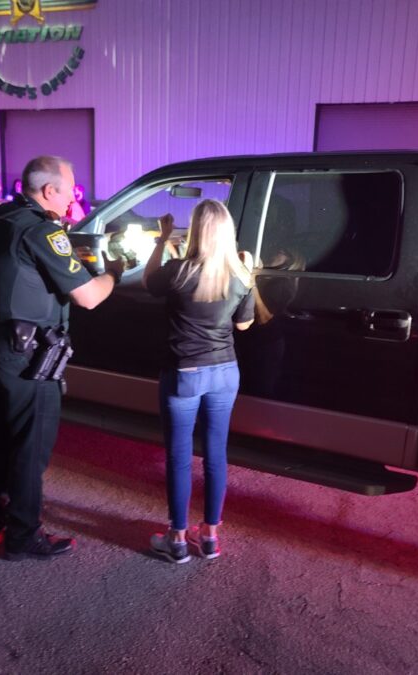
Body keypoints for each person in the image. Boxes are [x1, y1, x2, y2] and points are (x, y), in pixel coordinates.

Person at [0, 155, 124, 561]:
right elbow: (87, 297)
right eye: (70, 189)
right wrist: (114, 273)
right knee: (28, 449)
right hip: (25, 357)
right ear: (49, 191)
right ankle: (23, 536)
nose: (74, 197)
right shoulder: (42, 231)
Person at [142, 199, 255, 563]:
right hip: (225, 371)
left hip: (184, 373)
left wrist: (161, 241)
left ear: (195, 231)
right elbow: (243, 324)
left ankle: (176, 539)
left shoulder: (178, 271)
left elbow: (148, 281)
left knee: (178, 457)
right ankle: (210, 537)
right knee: (216, 455)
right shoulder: (240, 274)